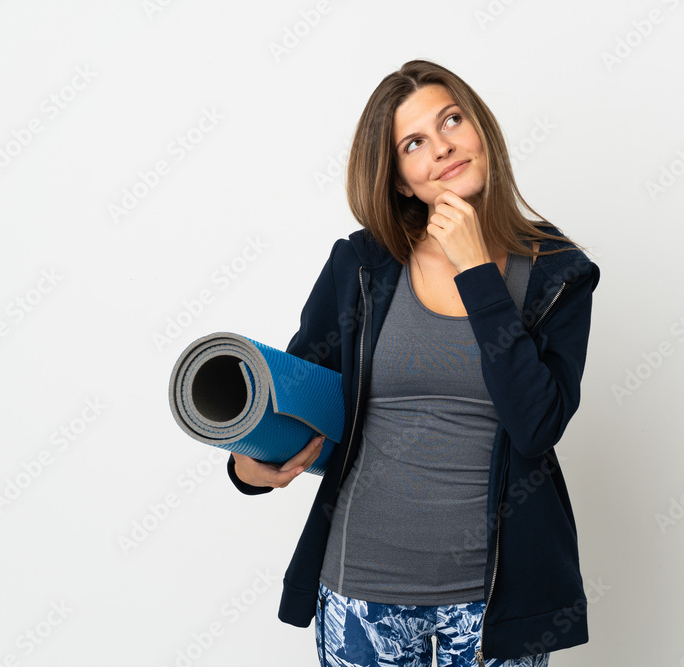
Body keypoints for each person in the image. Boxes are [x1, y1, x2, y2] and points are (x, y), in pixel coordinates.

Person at [227, 59, 600, 667]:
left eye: (452, 119)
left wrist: (478, 270)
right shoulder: (362, 266)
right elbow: (297, 393)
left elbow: (538, 424)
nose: (443, 145)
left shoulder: (557, 273)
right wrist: (248, 464)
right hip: (361, 590)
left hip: (494, 604)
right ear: (400, 178)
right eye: (414, 142)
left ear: (480, 127)